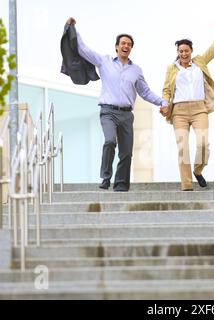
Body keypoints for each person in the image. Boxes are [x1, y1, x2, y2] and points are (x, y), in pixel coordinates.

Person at [65, 17, 167, 192]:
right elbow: (83, 49)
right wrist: (71, 28)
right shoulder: (104, 61)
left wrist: (163, 102)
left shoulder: (136, 70)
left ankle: (120, 185)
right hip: (108, 112)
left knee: (126, 152)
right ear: (116, 47)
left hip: (127, 114)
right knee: (110, 141)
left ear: (131, 48)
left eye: (129, 44)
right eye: (123, 43)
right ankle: (106, 178)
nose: (126, 46)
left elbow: (145, 92)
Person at [160, 17, 214, 191]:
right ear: (177, 52)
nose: (183, 54)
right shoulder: (172, 68)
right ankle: (186, 185)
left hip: (200, 109)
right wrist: (164, 104)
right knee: (183, 147)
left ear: (191, 51)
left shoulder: (200, 62)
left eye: (186, 50)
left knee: (203, 143)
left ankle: (198, 171)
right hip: (179, 111)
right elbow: (166, 90)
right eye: (180, 51)